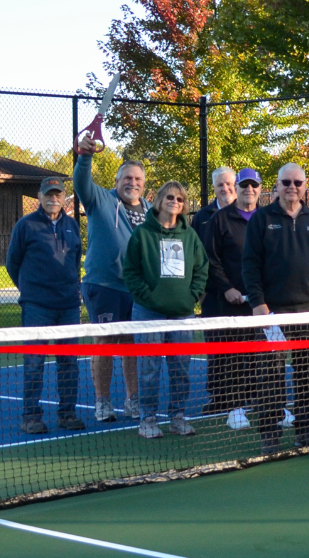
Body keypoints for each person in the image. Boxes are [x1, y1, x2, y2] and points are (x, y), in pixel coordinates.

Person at [243, 163, 309, 453]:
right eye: (285, 182)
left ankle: (305, 431)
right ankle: (271, 436)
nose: (291, 187)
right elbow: (249, 265)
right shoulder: (261, 219)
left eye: (297, 182)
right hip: (272, 313)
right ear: (276, 185)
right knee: (271, 376)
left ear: (305, 185)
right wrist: (258, 303)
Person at [123, 181, 209, 439]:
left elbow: (202, 270)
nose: (175, 202)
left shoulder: (190, 236)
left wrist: (190, 296)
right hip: (148, 314)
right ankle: (147, 419)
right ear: (159, 201)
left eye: (180, 199)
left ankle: (177, 417)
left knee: (180, 369)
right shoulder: (142, 234)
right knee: (149, 369)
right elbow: (131, 272)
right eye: (170, 197)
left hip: (182, 314)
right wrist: (148, 297)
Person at [73, 133, 144, 422]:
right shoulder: (100, 199)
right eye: (127, 178)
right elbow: (81, 182)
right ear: (116, 182)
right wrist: (85, 156)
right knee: (105, 342)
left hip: (136, 290)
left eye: (138, 179)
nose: (132, 183)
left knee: (131, 344)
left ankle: (133, 401)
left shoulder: (151, 211)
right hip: (103, 286)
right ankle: (103, 402)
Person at [8, 178, 85, 434]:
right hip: (37, 307)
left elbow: (75, 262)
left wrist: (71, 288)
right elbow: (13, 263)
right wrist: (30, 291)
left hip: (69, 307)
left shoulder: (73, 225)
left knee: (69, 363)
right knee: (33, 363)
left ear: (64, 197)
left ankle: (67, 414)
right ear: (40, 197)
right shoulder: (25, 225)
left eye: (58, 194)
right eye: (49, 194)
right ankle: (31, 416)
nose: (54, 199)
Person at [202, 168, 263, 428]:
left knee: (263, 356)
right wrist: (227, 288)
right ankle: (234, 408)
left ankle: (268, 406)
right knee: (232, 358)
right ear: (237, 188)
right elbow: (211, 259)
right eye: (244, 185)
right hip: (229, 303)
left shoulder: (266, 218)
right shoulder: (220, 219)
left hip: (261, 304)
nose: (249, 190)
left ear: (260, 189)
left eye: (254, 186)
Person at [194, 166, 239, 415]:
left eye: (229, 184)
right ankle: (219, 397)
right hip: (213, 295)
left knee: (245, 346)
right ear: (214, 188)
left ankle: (247, 395)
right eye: (220, 185)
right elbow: (198, 256)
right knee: (217, 347)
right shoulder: (202, 216)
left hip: (243, 293)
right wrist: (201, 292)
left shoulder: (251, 214)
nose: (226, 189)